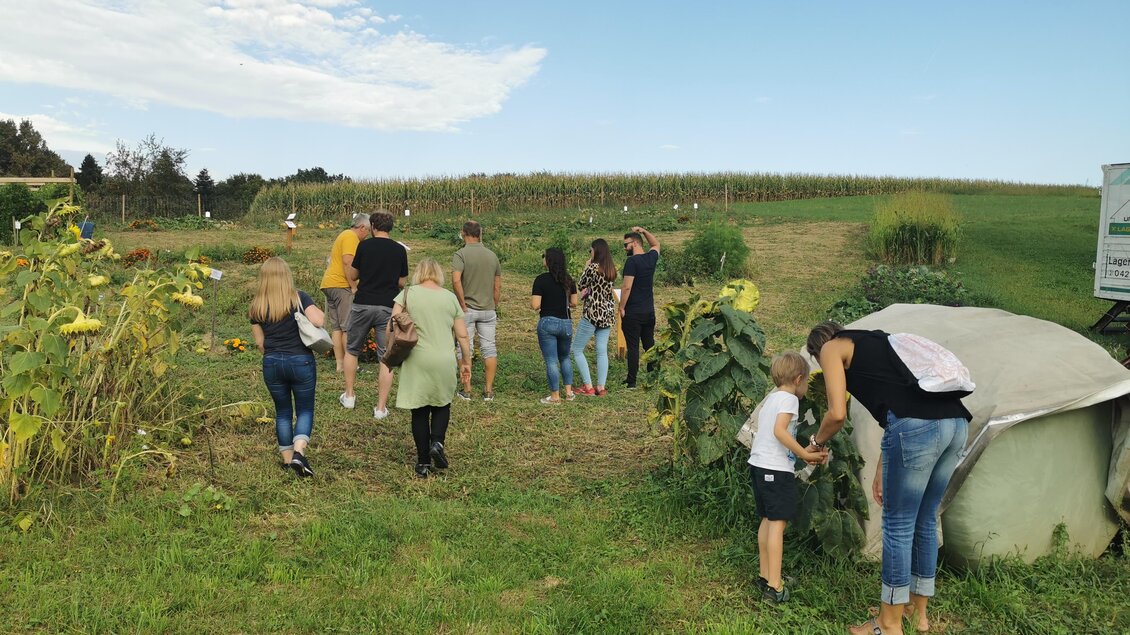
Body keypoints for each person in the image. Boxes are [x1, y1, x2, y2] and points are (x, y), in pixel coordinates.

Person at [806, 321, 972, 635]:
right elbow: (897, 406)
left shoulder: (830, 347)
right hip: (955, 423)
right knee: (924, 519)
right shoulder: (876, 341)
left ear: (819, 348)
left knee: (898, 526)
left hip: (918, 427)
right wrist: (884, 465)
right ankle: (916, 613)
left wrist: (815, 443)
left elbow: (837, 413)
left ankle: (888, 624)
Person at [748, 352, 827, 604]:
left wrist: (804, 449)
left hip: (759, 466)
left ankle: (765, 575)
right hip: (775, 470)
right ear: (799, 379)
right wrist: (804, 453)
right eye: (805, 383)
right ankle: (775, 586)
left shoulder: (771, 398)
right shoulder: (790, 400)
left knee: (767, 521)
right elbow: (780, 431)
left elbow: (774, 434)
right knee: (778, 525)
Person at [391, 259, 472, 478]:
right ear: (438, 274)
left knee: (419, 410)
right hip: (444, 359)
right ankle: (437, 441)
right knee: (442, 403)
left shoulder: (407, 294)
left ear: (419, 273)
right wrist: (466, 360)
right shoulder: (450, 297)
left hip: (416, 358)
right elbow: (462, 334)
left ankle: (423, 462)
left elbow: (393, 320)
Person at [249, 257, 326, 478]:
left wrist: (273, 356)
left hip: (272, 362)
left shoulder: (256, 305)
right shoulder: (299, 297)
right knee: (304, 409)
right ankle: (299, 452)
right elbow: (319, 321)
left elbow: (259, 343)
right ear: (286, 276)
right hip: (300, 360)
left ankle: (286, 459)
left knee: (282, 412)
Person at [341, 210, 408, 419]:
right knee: (384, 357)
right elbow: (402, 282)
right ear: (390, 227)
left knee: (352, 350)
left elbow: (353, 274)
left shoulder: (364, 246)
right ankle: (380, 408)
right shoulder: (399, 250)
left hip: (363, 303)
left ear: (373, 227)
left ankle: (350, 395)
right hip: (387, 306)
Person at [451, 220, 502, 402]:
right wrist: (493, 304)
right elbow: (497, 286)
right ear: (480, 233)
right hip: (488, 309)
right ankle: (488, 390)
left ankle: (467, 389)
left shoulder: (460, 254)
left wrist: (462, 303)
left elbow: (456, 280)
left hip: (468, 309)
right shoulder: (492, 256)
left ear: (463, 233)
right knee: (489, 348)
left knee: (465, 349)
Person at [319, 212, 370, 373]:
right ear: (362, 227)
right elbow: (348, 262)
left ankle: (340, 364)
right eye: (367, 230)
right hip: (341, 285)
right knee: (348, 327)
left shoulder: (344, 234)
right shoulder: (350, 237)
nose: (367, 234)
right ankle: (351, 364)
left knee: (337, 328)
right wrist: (353, 285)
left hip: (329, 284)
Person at [571, 238, 617, 396]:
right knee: (601, 351)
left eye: (590, 250)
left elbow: (581, 284)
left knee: (576, 349)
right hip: (607, 314)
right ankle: (601, 387)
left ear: (595, 251)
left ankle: (588, 386)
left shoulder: (593, 267)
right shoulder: (611, 269)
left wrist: (586, 266)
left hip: (592, 313)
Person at [531, 247, 578, 404]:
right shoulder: (569, 280)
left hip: (548, 323)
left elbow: (535, 305)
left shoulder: (541, 280)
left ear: (548, 260)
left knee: (551, 360)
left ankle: (555, 396)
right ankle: (569, 392)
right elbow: (574, 303)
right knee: (564, 357)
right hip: (566, 323)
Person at [618, 225, 660, 389]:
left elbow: (627, 287)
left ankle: (632, 381)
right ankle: (652, 375)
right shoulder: (651, 258)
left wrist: (622, 307)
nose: (624, 248)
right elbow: (656, 244)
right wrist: (644, 231)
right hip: (649, 310)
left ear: (635, 244)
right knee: (649, 344)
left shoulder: (632, 262)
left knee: (633, 346)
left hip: (633, 312)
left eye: (626, 244)